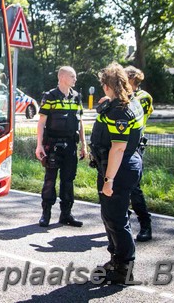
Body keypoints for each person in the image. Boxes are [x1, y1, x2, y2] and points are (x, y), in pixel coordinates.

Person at [89, 62, 144, 284]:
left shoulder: (120, 111)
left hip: (118, 169)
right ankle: (116, 260)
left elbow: (119, 147)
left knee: (116, 218)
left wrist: (109, 180)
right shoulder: (126, 103)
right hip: (118, 166)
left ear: (106, 85)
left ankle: (124, 268)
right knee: (112, 215)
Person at [35, 66, 87, 227]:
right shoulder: (50, 96)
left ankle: (66, 214)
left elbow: (80, 123)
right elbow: (41, 123)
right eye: (72, 76)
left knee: (68, 180)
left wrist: (83, 144)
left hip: (71, 144)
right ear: (62, 77)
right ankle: (46, 214)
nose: (75, 79)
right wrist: (39, 146)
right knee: (50, 180)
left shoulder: (76, 97)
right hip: (53, 145)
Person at [124, 66, 153, 242]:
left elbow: (135, 117)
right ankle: (122, 221)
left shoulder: (143, 97)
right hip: (119, 145)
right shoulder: (124, 96)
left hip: (134, 146)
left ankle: (145, 225)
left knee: (134, 187)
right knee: (119, 187)